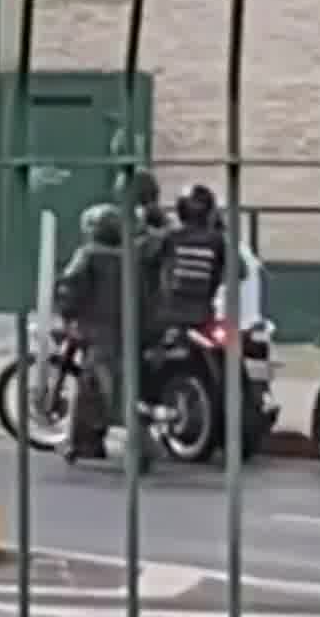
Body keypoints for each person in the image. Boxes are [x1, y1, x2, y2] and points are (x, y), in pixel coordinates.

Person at [54, 205, 157, 461]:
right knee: (104, 387)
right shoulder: (130, 258)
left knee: (103, 389)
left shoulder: (88, 255)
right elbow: (144, 298)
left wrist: (68, 315)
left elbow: (71, 287)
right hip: (127, 332)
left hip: (97, 331)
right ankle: (86, 442)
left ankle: (138, 445)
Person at [147, 184, 237, 331]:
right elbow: (239, 269)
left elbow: (151, 260)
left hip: (170, 313)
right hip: (202, 313)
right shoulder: (217, 240)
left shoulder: (171, 237)